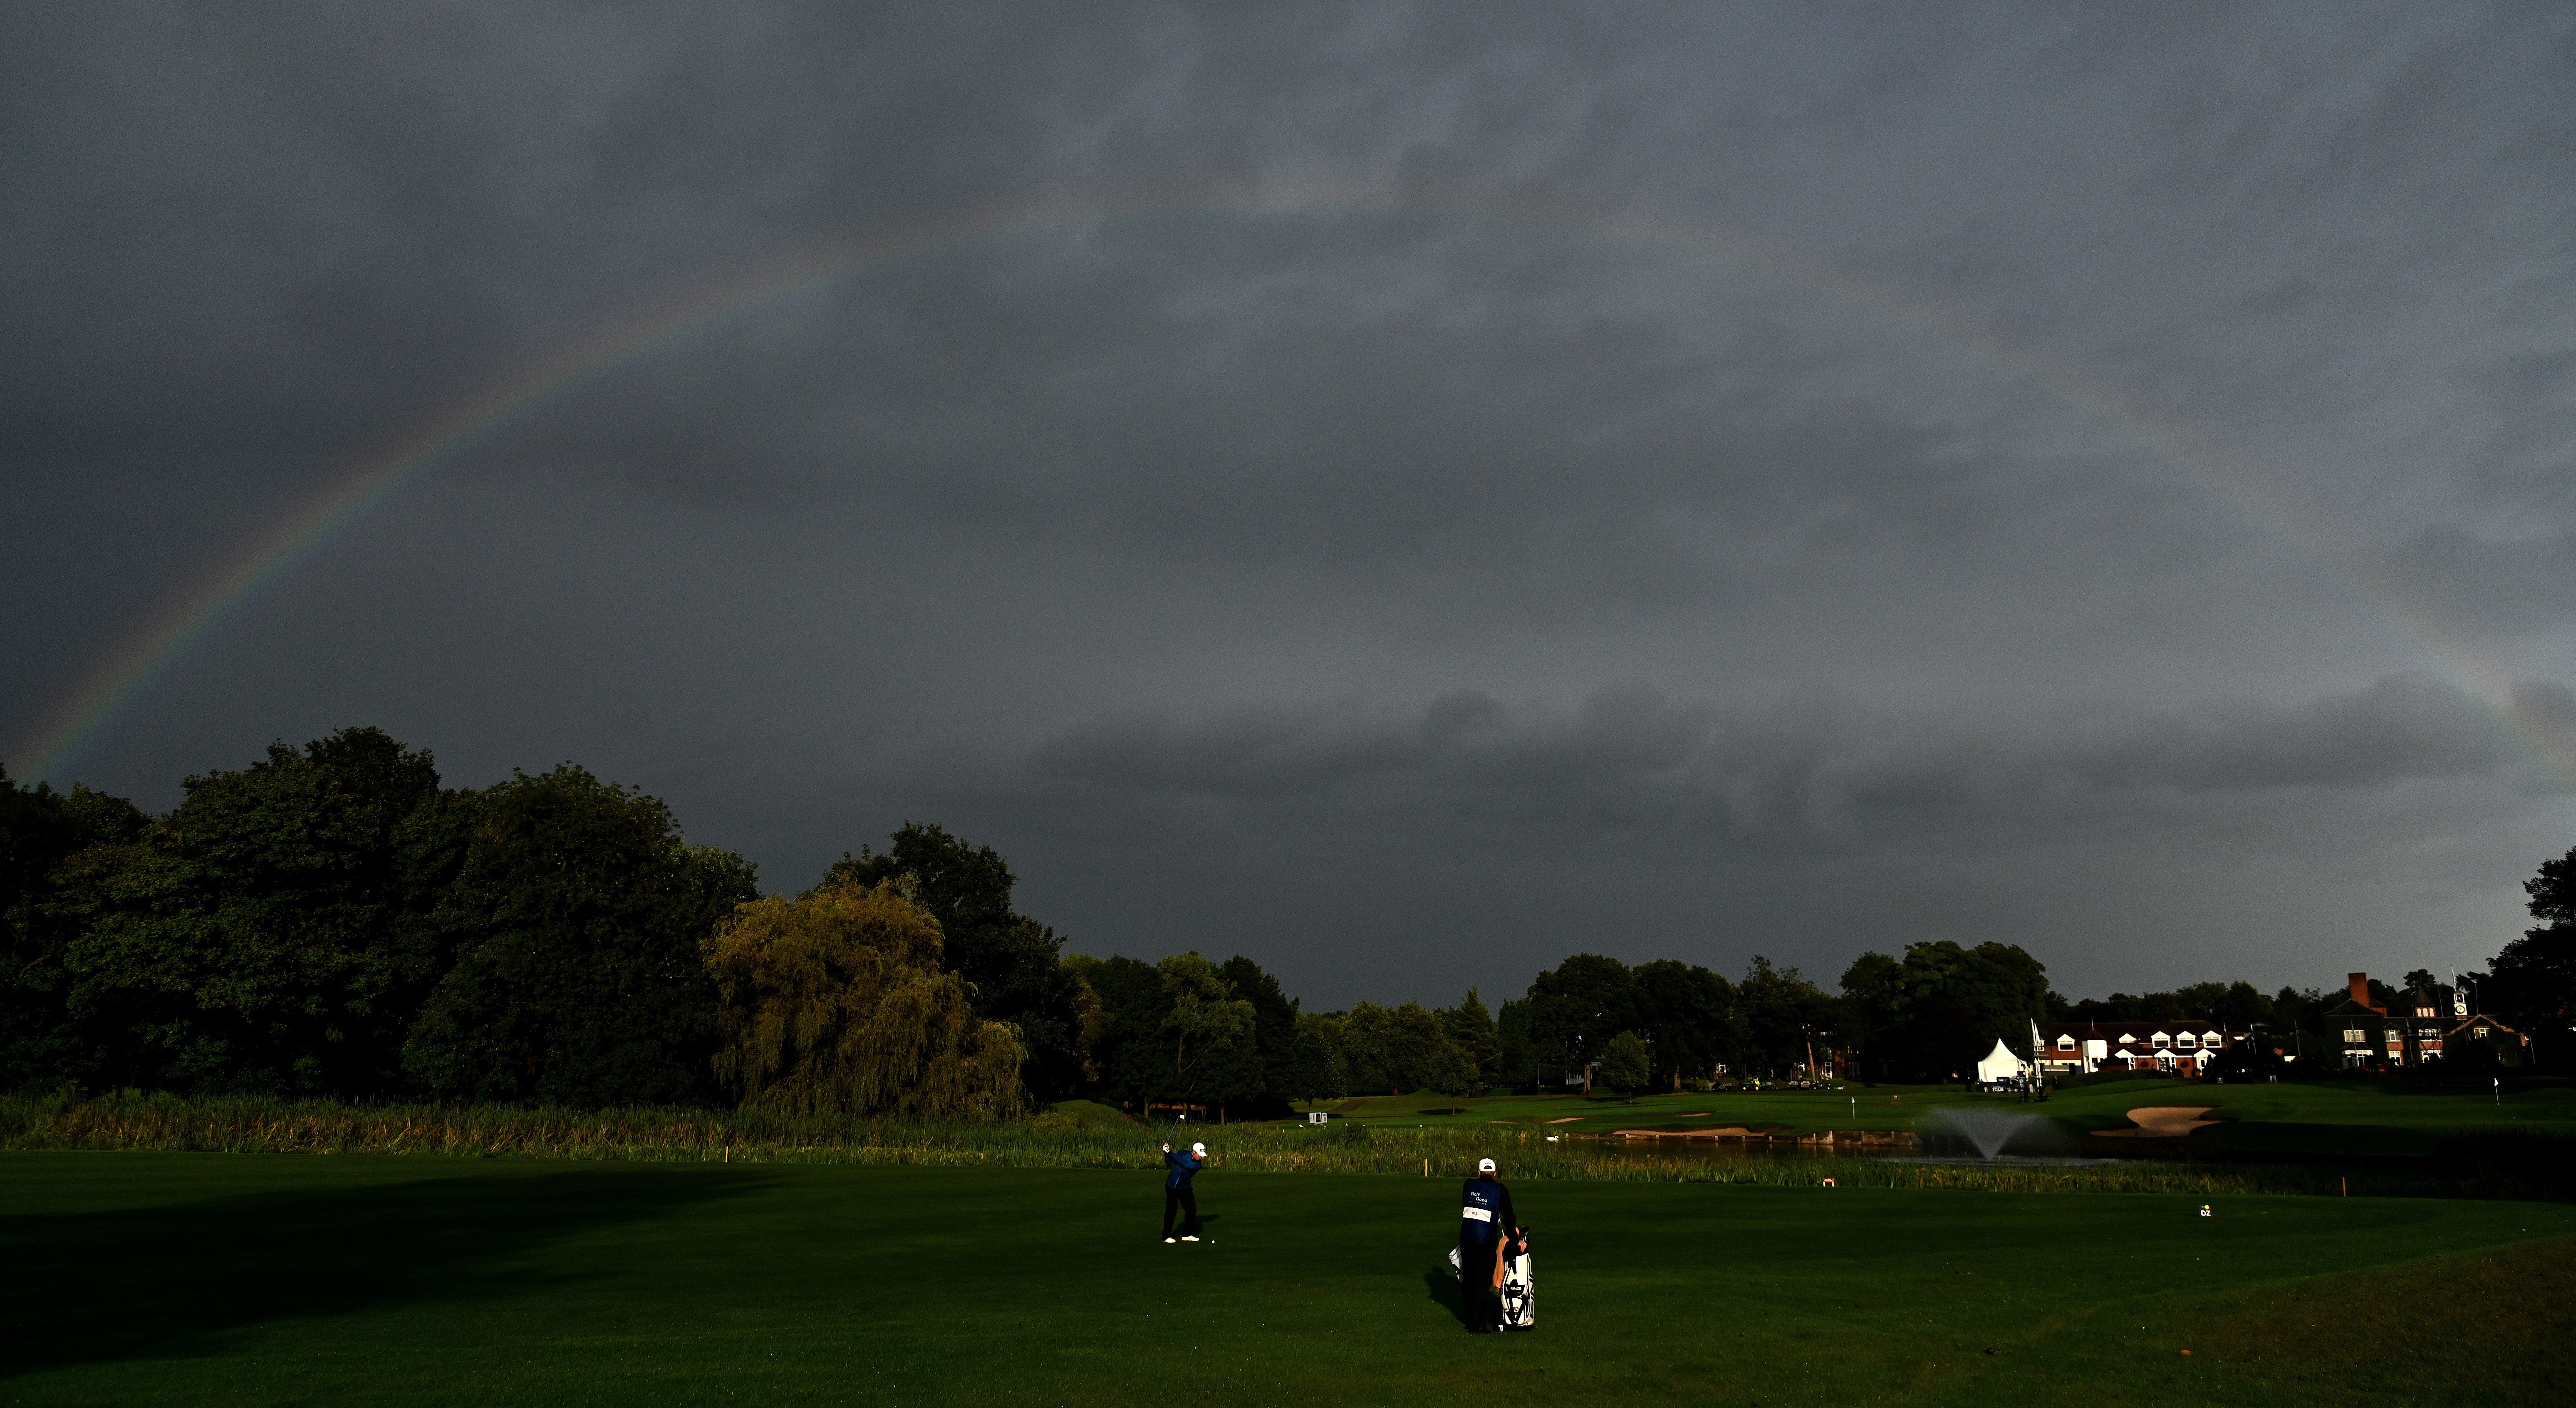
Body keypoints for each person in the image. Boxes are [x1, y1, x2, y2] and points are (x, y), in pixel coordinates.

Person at [1457, 1156, 1518, 1332]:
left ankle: (1472, 1318)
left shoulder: (1468, 1185)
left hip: (1466, 1240)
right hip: (1485, 1243)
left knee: (1469, 1280)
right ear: (1495, 1174)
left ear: (1479, 1172)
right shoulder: (1500, 1189)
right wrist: (1515, 1240)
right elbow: (1508, 1217)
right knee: (1482, 1283)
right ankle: (1477, 1324)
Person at [1161, 1140, 1206, 1243]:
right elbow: (1170, 1163)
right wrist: (1166, 1153)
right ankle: (1166, 1237)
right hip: (1172, 1186)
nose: (1201, 1157)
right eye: (1200, 1154)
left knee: (1192, 1210)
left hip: (1185, 1188)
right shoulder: (1183, 1153)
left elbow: (1184, 1163)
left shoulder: (1197, 1164)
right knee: (1171, 1211)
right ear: (1194, 1152)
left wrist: (1169, 1152)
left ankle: (1187, 1235)